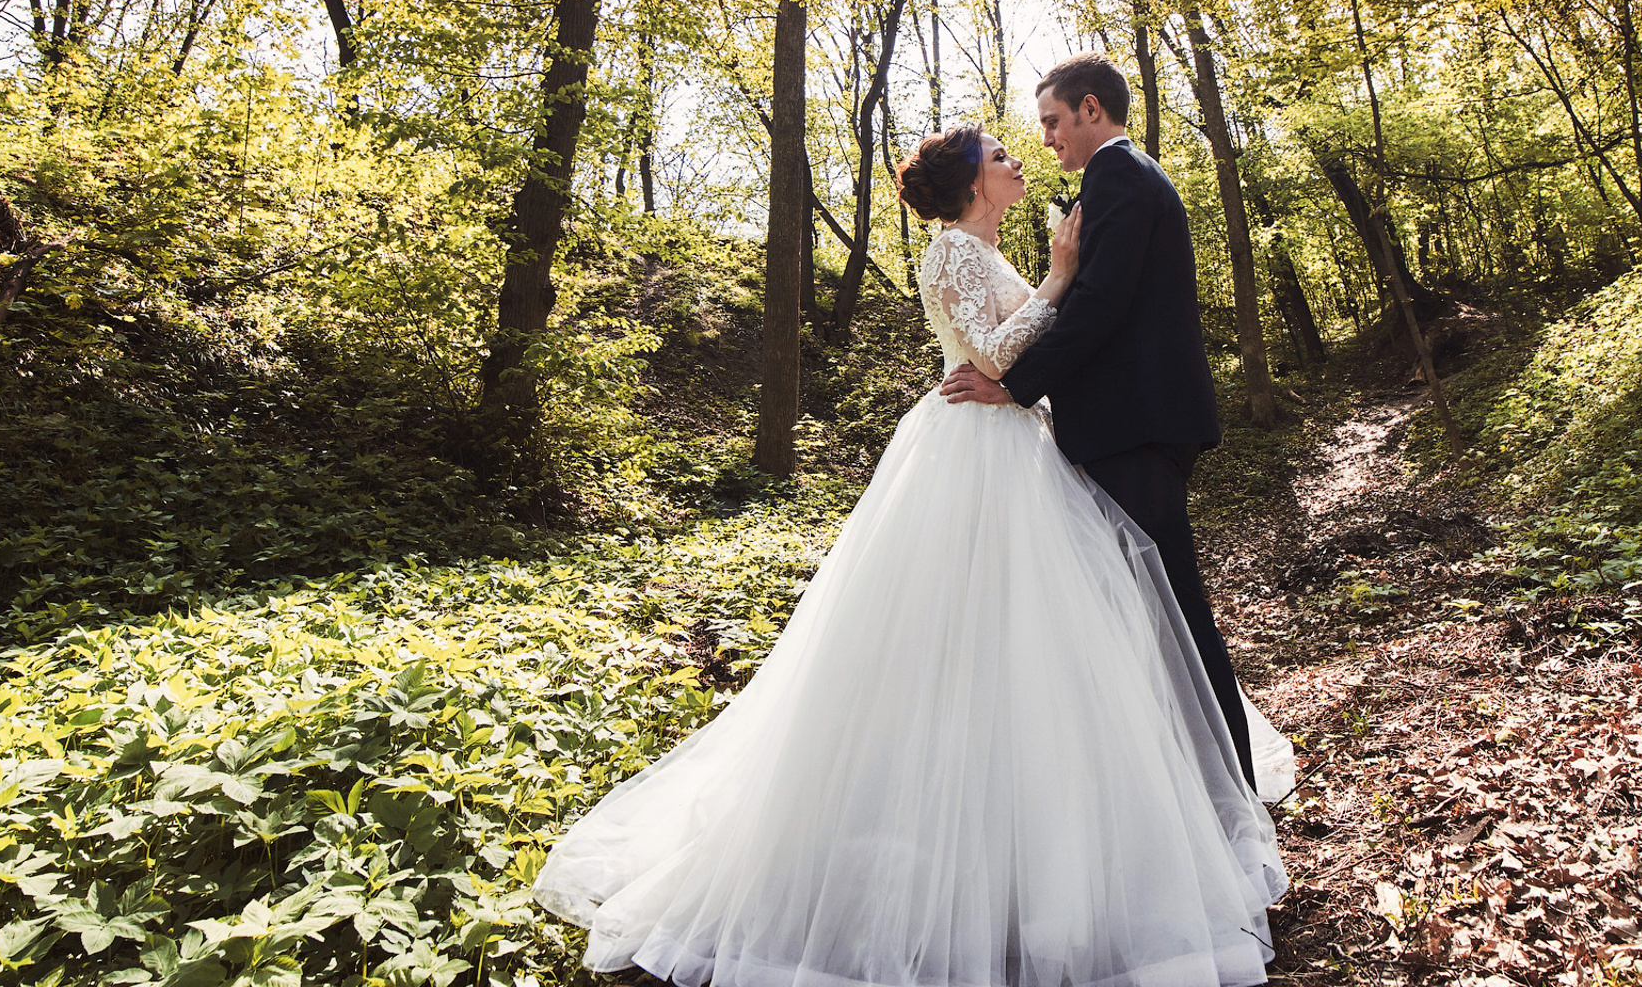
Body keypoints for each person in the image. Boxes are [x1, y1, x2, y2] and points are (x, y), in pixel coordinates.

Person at [533, 118, 1289, 987]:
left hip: (1020, 447)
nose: (1017, 158)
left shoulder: (986, 251)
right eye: (1000, 156)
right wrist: (1058, 275)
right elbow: (988, 357)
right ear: (972, 183)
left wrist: (1056, 291)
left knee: (1037, 639)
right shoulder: (950, 252)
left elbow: (1036, 345)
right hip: (972, 450)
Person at [941, 53, 1254, 790]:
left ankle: (1228, 787)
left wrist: (1016, 388)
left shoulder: (1116, 175)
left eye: (1052, 121)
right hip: (1134, 424)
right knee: (1146, 613)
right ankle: (1183, 781)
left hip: (1133, 427)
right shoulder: (1126, 177)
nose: (1046, 138)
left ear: (1090, 109)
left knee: (1173, 613)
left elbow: (1100, 306)